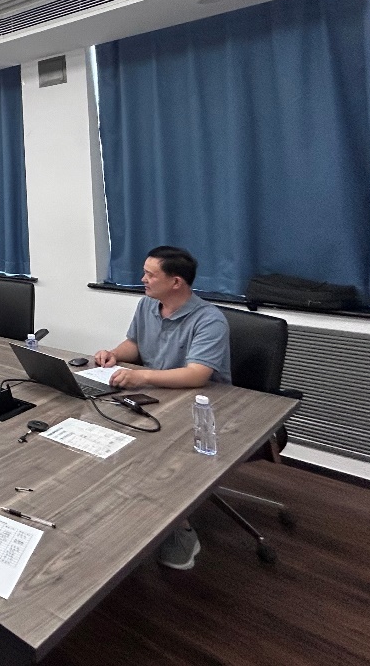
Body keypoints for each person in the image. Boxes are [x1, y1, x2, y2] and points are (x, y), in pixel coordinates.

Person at [94, 245, 231, 571]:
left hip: (204, 407)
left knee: (160, 456)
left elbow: (197, 374)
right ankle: (130, 513)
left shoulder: (210, 319)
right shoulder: (147, 305)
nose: (143, 279)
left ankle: (180, 529)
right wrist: (115, 354)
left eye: (150, 275)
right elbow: (135, 344)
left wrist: (142, 376)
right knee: (112, 432)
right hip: (159, 397)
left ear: (176, 282)